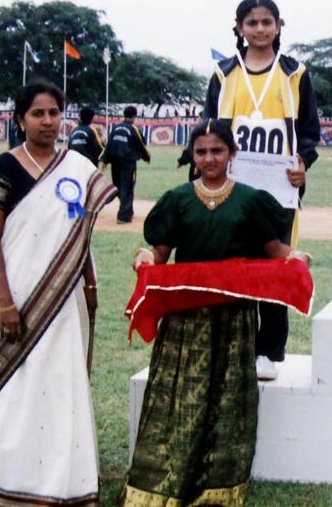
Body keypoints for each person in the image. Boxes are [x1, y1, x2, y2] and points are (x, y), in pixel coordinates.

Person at [125, 119, 294, 505]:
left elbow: (275, 252)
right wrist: (145, 257)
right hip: (186, 319)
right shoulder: (177, 199)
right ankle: (169, 480)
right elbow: (161, 252)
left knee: (226, 400)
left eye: (217, 150)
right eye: (201, 152)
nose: (209, 158)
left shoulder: (251, 200)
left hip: (235, 319)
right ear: (192, 156)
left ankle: (219, 487)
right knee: (181, 397)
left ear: (232, 153)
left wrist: (296, 259)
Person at [0, 81, 117, 506]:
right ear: (20, 120)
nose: (47, 121)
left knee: (61, 387)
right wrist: (5, 302)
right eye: (37, 113)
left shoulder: (77, 166)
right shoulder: (2, 168)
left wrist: (90, 285)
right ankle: (10, 483)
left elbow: (80, 236)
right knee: (16, 390)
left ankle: (65, 485)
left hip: (65, 298)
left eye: (54, 112)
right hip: (15, 297)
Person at [203, 0, 320, 380]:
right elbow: (209, 129)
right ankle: (231, 346)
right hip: (231, 188)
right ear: (239, 28)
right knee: (231, 265)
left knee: (273, 266)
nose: (259, 29)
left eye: (267, 21)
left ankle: (268, 351)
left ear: (279, 26)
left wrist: (303, 163)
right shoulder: (223, 74)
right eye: (251, 23)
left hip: (278, 191)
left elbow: (309, 131)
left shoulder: (295, 74)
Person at [103, 105, 151, 224]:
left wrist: (105, 160)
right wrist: (147, 157)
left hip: (115, 162)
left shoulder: (115, 128)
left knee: (119, 186)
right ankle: (123, 216)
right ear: (134, 116)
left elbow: (109, 145)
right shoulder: (134, 129)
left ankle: (128, 210)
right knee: (127, 187)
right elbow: (141, 144)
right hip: (128, 163)